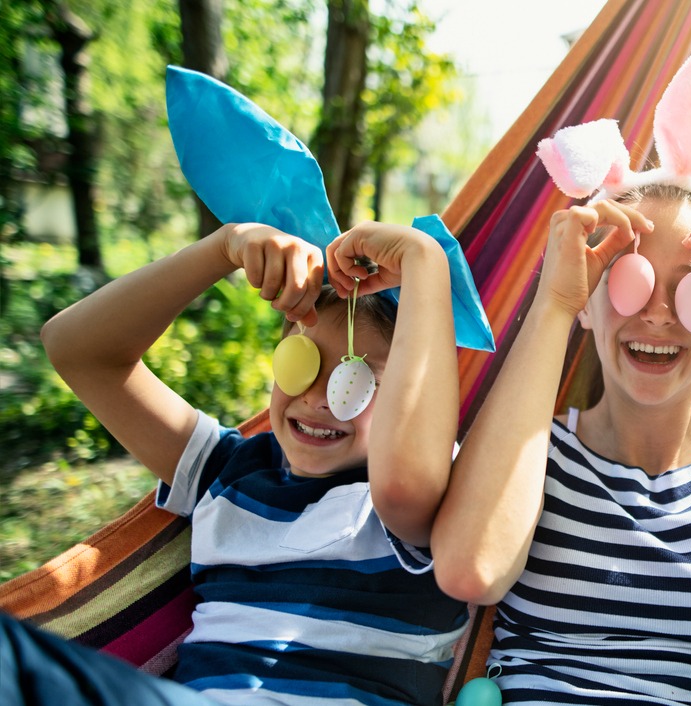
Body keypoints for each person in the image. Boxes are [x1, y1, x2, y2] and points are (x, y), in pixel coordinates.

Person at [430, 29, 691, 705]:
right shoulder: (531, 452)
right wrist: (557, 302)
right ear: (591, 297)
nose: (658, 314)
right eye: (630, 280)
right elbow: (471, 569)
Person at [6, 220, 467, 706]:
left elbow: (411, 474)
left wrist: (422, 263)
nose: (315, 398)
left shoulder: (425, 500)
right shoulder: (226, 471)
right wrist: (224, 247)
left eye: (355, 381)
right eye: (301, 360)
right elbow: (77, 350)